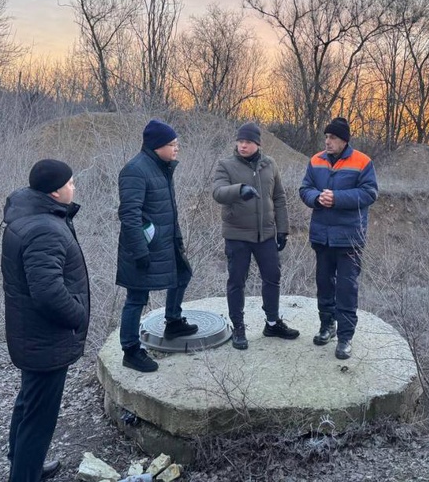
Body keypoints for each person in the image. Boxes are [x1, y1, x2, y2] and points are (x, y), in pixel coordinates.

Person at [2, 159, 90, 481]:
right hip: (46, 339)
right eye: (70, 182)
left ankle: (24, 464)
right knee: (39, 419)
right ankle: (25, 474)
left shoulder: (29, 215)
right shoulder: (44, 229)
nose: (74, 187)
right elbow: (48, 292)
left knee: (29, 403)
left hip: (33, 335)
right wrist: (78, 315)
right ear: (54, 191)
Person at [116, 119, 198, 372]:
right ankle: (131, 350)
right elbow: (129, 214)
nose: (176, 148)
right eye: (171, 144)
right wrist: (140, 251)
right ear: (156, 146)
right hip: (143, 247)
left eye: (176, 143)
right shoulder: (135, 170)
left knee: (183, 275)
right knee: (136, 297)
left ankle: (173, 322)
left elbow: (166, 209)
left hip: (167, 242)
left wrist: (177, 238)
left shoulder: (162, 167)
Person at [212, 122, 299, 350]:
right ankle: (238, 327)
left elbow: (279, 197)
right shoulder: (226, 165)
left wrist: (283, 229)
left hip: (266, 234)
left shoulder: (270, 164)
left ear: (257, 144)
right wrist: (239, 190)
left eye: (248, 142)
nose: (243, 145)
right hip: (237, 235)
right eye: (240, 141)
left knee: (272, 276)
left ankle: (272, 323)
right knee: (236, 281)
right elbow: (218, 192)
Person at [299, 117, 378, 360]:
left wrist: (337, 198)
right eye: (326, 137)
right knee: (324, 284)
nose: (327, 141)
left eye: (332, 137)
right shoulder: (316, 160)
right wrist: (316, 198)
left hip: (349, 238)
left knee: (346, 289)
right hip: (322, 237)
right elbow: (304, 188)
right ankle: (327, 326)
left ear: (344, 140)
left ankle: (345, 337)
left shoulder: (362, 162)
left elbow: (369, 193)